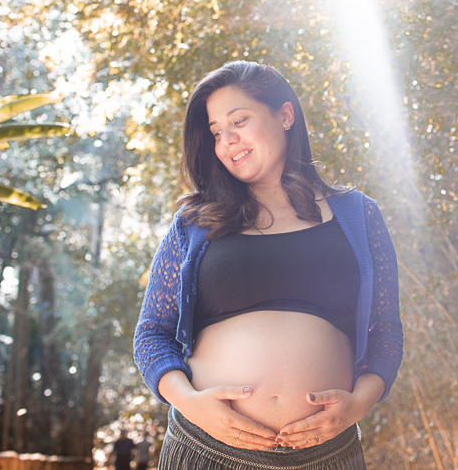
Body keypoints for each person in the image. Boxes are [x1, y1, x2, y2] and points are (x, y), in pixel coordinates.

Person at [133, 61, 403, 470]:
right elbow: (152, 333)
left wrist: (358, 404)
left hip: (328, 454)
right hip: (208, 449)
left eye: (239, 120)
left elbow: (386, 331)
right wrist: (190, 404)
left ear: (286, 114)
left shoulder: (359, 216)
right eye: (217, 132)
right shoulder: (195, 223)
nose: (228, 141)